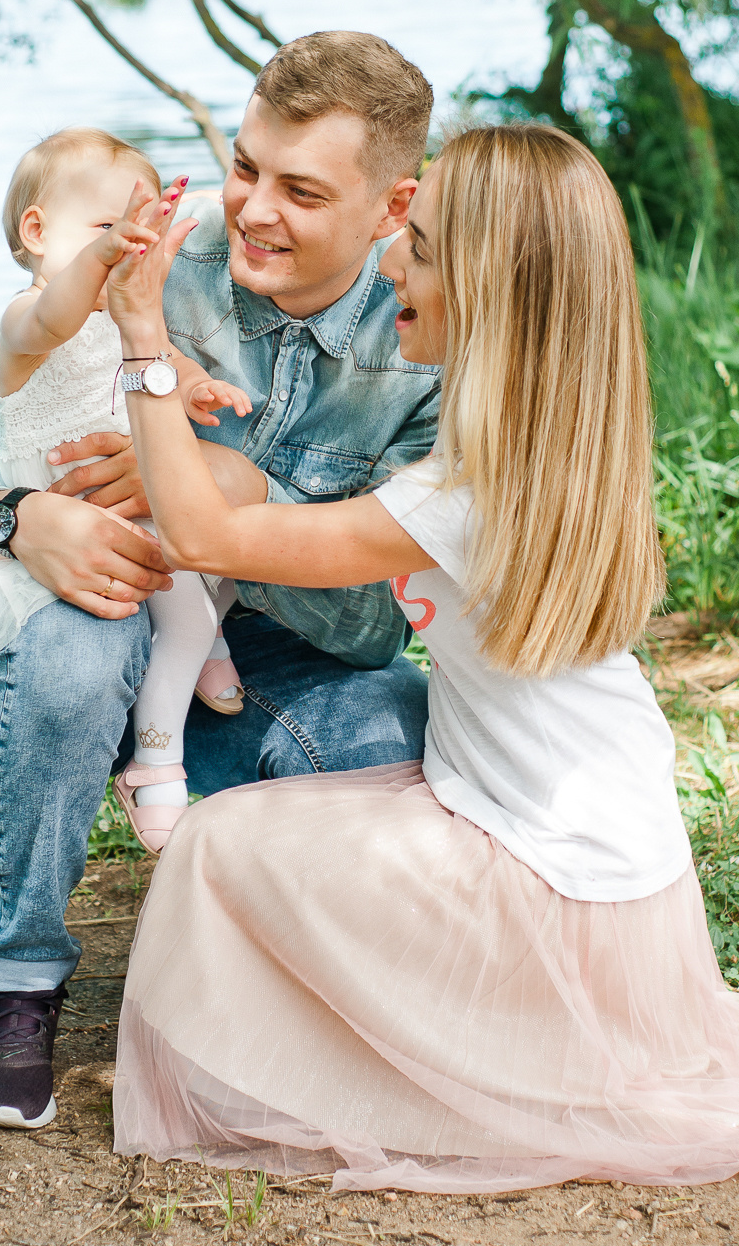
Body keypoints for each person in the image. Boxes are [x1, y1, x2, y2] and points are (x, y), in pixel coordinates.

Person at [105, 122, 739, 1192]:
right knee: (262, 836)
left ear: (494, 288)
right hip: (614, 843)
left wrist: (140, 344)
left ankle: (379, 1074)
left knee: (214, 850)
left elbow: (207, 540)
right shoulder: (547, 444)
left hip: (547, 871)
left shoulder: (460, 499)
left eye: (427, 247)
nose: (393, 259)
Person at [0, 33, 441, 1131]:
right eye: (246, 167)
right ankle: (14, 981)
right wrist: (19, 520)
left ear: (393, 206)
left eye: (299, 190)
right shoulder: (135, 256)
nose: (251, 210)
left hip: (271, 668)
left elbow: (378, 624)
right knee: (69, 644)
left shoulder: (428, 336)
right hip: (86, 636)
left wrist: (236, 502)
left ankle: (283, 987)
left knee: (395, 730)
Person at [0, 128, 252, 869]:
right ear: (36, 232)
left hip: (135, 518)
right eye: (105, 231)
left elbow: (170, 362)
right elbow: (55, 317)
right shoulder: (24, 323)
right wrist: (103, 261)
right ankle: (156, 761)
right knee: (183, 614)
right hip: (65, 540)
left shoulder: (125, 318)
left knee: (211, 578)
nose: (126, 250)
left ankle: (195, 659)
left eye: (139, 235)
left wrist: (203, 391)